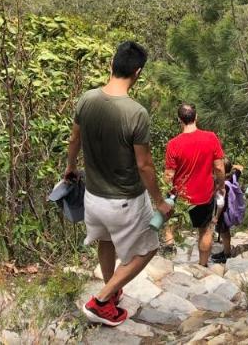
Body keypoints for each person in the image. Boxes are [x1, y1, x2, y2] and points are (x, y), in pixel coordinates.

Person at [63, 40, 173, 327]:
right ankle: (101, 300)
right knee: (148, 248)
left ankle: (111, 293)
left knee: (106, 240)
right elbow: (144, 164)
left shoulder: (86, 99)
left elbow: (74, 139)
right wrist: (160, 201)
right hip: (124, 199)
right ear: (138, 73)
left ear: (111, 64)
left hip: (93, 197)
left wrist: (70, 168)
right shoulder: (136, 113)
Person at [163, 103, 226, 267]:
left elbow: (169, 175)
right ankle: (203, 265)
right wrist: (221, 186)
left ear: (179, 120)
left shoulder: (173, 144)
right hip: (204, 195)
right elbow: (219, 167)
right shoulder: (211, 137)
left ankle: (169, 254)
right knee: (205, 230)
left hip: (181, 195)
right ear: (196, 117)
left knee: (170, 223)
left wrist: (167, 192)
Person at [213, 161, 245, 263]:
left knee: (224, 233)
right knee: (225, 232)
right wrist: (231, 166)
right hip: (230, 211)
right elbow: (240, 167)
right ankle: (226, 251)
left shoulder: (221, 185)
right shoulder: (232, 178)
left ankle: (227, 254)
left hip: (223, 213)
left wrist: (216, 217)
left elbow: (220, 203)